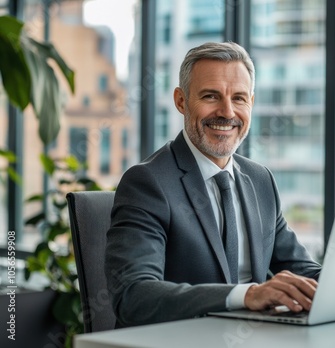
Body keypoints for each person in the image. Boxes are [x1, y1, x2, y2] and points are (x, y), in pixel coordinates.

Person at [105, 41, 321, 328]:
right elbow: (134, 295)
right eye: (211, 96)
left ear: (252, 104)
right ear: (181, 101)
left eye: (240, 98)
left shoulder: (261, 180)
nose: (227, 112)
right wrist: (248, 295)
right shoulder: (147, 183)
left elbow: (302, 271)